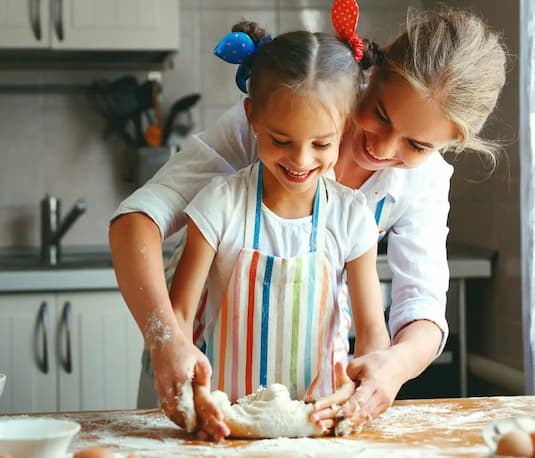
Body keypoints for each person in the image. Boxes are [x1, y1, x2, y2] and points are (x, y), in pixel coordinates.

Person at [109, 1, 507, 439]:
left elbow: (422, 305)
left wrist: (392, 368)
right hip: (197, 375)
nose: (383, 148)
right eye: (379, 113)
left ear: (448, 145)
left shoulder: (423, 183)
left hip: (311, 401)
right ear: (372, 74)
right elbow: (139, 219)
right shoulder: (275, 121)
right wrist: (167, 340)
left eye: (416, 145)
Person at [164, 18, 390, 440]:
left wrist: (361, 389)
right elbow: (177, 318)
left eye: (321, 144)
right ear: (252, 116)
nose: (301, 160)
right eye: (281, 140)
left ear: (346, 128)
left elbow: (373, 333)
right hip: (227, 426)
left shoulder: (351, 217)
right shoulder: (220, 206)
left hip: (321, 425)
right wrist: (193, 391)